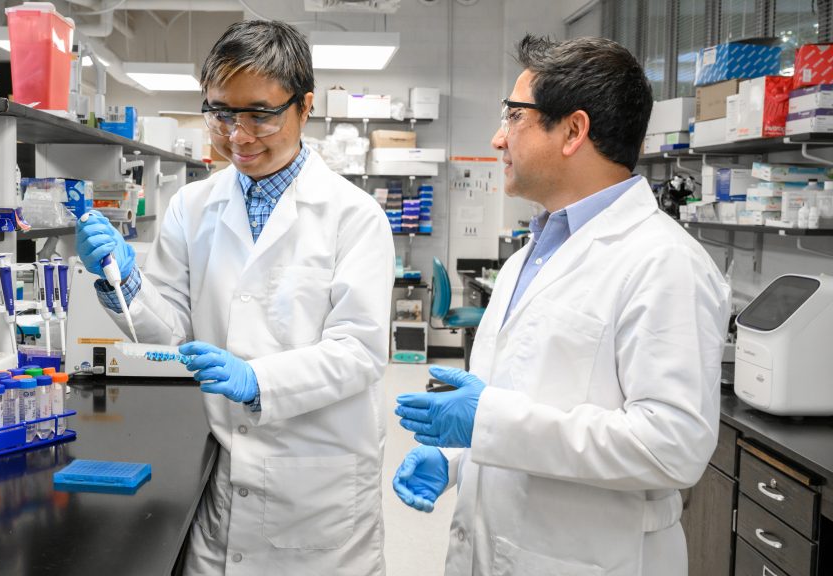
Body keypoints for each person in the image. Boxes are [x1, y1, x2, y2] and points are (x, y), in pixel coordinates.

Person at [392, 35, 731, 576]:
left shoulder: (664, 263)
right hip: (496, 547)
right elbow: (523, 397)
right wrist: (454, 458)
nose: (497, 138)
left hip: (590, 557)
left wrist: (488, 422)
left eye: (513, 117)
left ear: (573, 130)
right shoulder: (534, 253)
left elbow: (674, 445)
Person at [76, 20, 394, 576]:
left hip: (315, 485)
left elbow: (359, 351)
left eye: (260, 114)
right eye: (221, 112)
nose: (238, 135)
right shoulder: (192, 206)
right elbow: (170, 334)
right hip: (223, 473)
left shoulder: (355, 216)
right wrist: (123, 284)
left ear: (304, 106)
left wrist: (259, 379)